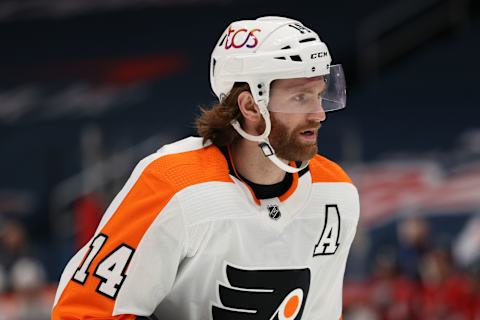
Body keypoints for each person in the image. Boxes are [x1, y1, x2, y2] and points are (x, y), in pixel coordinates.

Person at [51, 16, 360, 320]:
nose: (319, 114)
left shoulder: (335, 193)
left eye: (319, 95)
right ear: (251, 106)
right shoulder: (172, 184)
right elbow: (83, 311)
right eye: (300, 97)